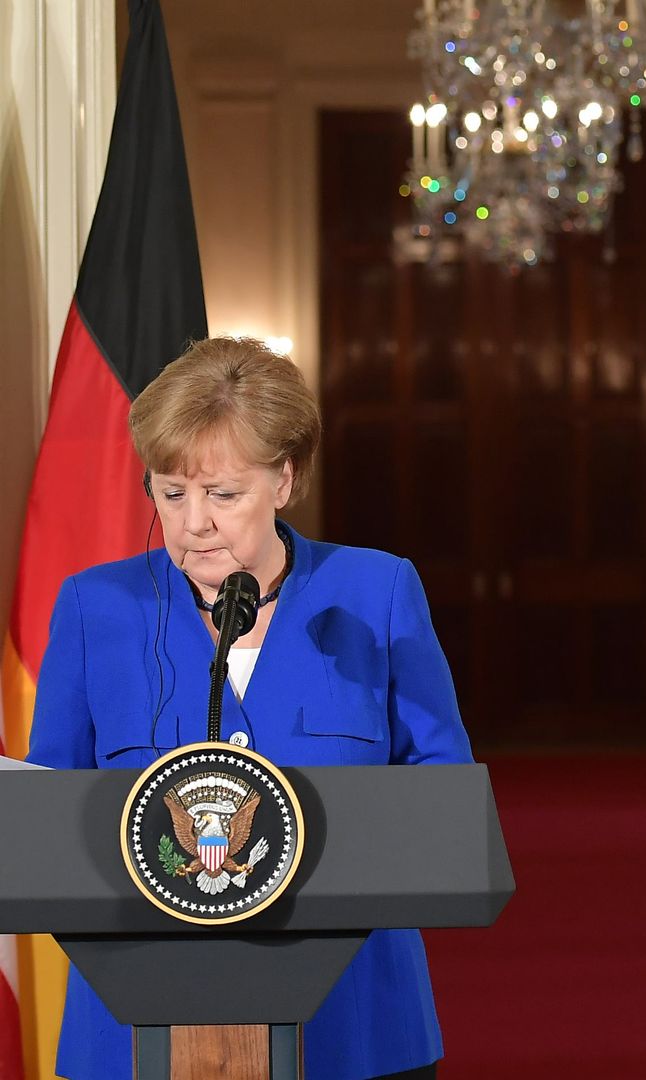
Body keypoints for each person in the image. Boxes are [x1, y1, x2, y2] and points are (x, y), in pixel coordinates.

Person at [28, 336, 472, 1080]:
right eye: (171, 493)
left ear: (284, 479)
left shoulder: (376, 593)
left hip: (354, 1026)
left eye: (223, 494)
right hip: (136, 1031)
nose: (193, 522)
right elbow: (47, 822)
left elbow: (443, 799)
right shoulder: (94, 608)